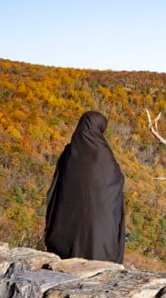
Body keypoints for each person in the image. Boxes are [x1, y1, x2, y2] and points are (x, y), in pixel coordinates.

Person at [44, 111, 125, 263]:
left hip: (65, 226)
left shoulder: (69, 152)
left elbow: (58, 184)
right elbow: (115, 181)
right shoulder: (102, 154)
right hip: (96, 234)